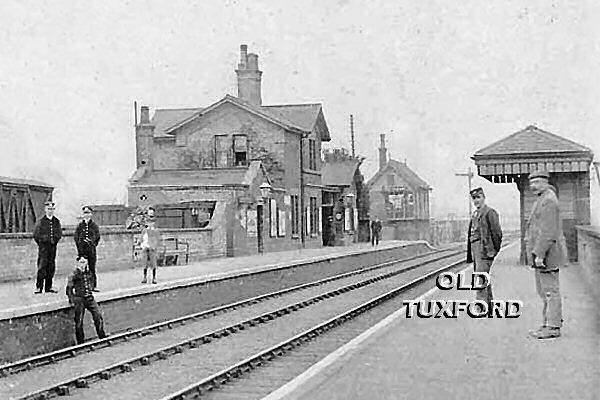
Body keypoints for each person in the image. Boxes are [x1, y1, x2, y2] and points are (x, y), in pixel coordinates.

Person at [526, 171, 566, 339]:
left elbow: (548, 232)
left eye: (536, 182)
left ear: (545, 182)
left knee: (550, 291)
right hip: (542, 254)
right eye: (531, 182)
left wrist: (540, 255)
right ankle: (548, 323)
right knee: (545, 291)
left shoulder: (548, 201)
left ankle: (553, 327)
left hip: (546, 255)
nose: (532, 185)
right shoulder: (543, 198)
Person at [466, 187, 502, 316]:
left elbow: (497, 233)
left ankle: (481, 308)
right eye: (474, 199)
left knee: (480, 278)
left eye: (478, 198)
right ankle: (489, 307)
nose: (476, 201)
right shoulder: (475, 214)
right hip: (476, 250)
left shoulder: (490, 212)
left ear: (483, 197)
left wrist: (493, 250)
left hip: (484, 250)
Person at [65, 255, 107, 344]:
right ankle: (80, 342)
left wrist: (90, 288)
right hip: (79, 299)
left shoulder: (89, 273)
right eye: (81, 262)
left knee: (98, 315)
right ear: (77, 263)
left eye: (84, 262)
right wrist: (72, 300)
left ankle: (102, 336)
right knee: (79, 320)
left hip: (89, 298)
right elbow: (69, 288)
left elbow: (91, 282)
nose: (83, 265)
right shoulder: (74, 274)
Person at [33, 200, 62, 293]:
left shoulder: (56, 221)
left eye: (52, 209)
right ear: (45, 210)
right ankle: (39, 287)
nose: (50, 210)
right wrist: (43, 243)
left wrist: (54, 241)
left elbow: (59, 233)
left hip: (53, 247)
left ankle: (48, 287)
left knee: (51, 266)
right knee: (42, 267)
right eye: (49, 209)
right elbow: (36, 235)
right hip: (43, 248)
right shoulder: (41, 221)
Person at [74, 206, 101, 291]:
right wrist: (80, 246)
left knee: (92, 268)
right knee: (82, 268)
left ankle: (93, 285)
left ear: (91, 214)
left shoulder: (94, 226)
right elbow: (76, 237)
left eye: (88, 213)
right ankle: (82, 286)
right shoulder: (80, 226)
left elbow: (97, 237)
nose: (86, 215)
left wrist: (92, 244)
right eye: (85, 213)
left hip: (91, 250)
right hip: (82, 251)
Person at [140, 214, 163, 284]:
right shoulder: (144, 231)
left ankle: (154, 278)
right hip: (145, 248)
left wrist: (154, 246)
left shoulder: (155, 231)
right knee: (145, 263)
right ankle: (144, 277)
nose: (150, 224)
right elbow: (142, 239)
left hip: (152, 249)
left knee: (153, 264)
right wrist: (142, 245)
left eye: (151, 222)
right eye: (148, 222)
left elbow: (157, 240)